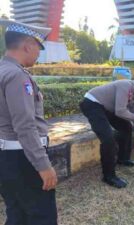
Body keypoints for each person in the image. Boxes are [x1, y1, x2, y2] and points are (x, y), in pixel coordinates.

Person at [0, 19, 58, 224]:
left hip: (6, 158)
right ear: (28, 45)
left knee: (16, 214)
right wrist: (43, 166)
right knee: (42, 216)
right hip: (23, 160)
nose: (38, 53)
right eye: (38, 47)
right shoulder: (17, 76)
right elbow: (25, 126)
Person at [79, 75, 134, 188]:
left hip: (107, 108)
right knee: (108, 138)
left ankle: (123, 159)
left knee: (126, 127)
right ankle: (109, 176)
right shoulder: (125, 86)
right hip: (92, 104)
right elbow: (120, 111)